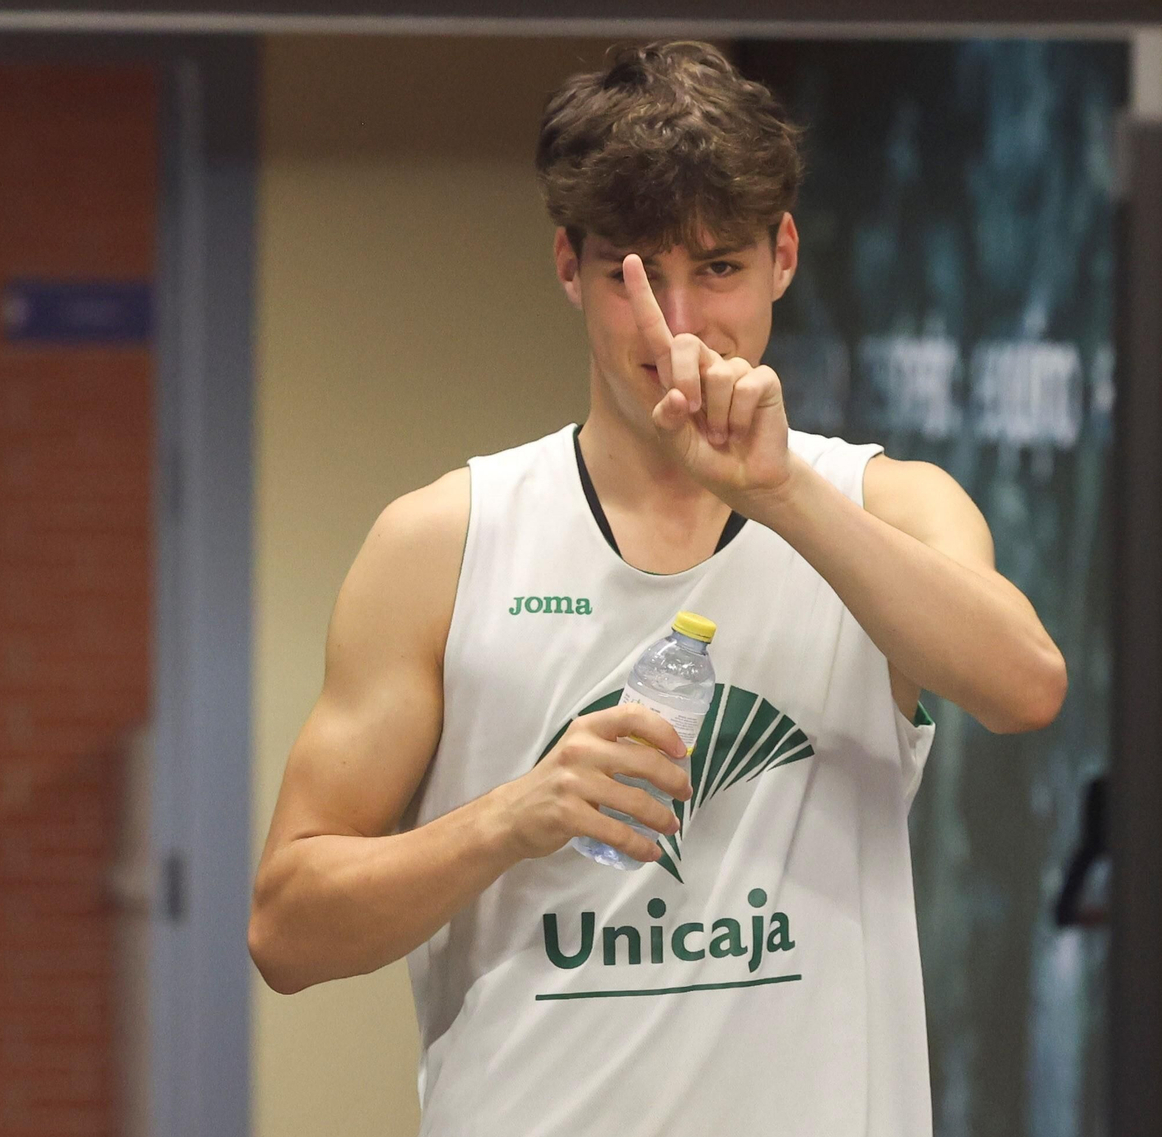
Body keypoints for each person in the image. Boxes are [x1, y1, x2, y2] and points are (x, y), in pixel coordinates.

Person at [248, 39, 1067, 1136]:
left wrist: (783, 498)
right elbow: (286, 932)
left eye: (716, 269)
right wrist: (507, 819)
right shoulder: (444, 539)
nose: (675, 325)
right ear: (568, 268)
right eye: (633, 274)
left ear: (781, 255)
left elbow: (1025, 687)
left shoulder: (883, 506)